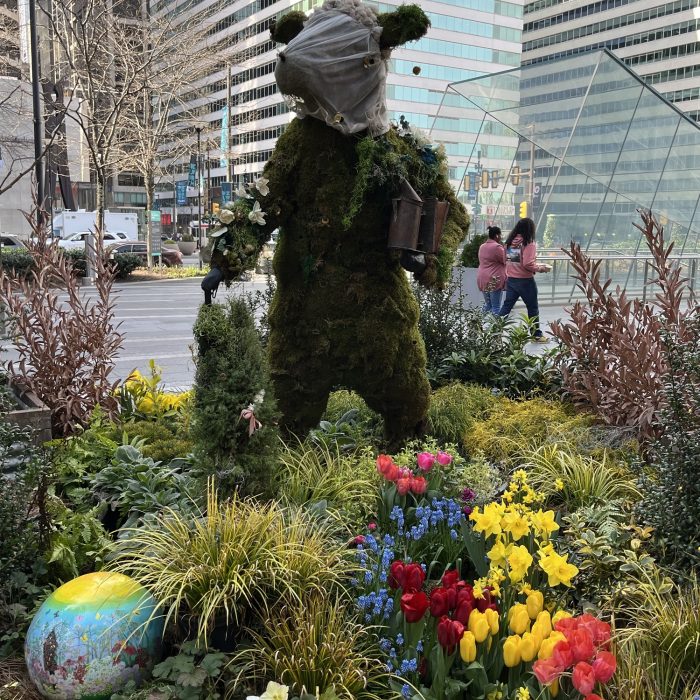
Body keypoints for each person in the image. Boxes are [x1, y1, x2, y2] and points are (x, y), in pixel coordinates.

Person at [498, 217, 551, 342]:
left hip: (511, 279)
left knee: (506, 306)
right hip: (525, 281)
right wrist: (541, 268)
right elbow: (527, 263)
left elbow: (506, 259)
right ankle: (536, 334)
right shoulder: (529, 243)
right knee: (532, 308)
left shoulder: (511, 242)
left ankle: (495, 329)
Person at [477, 225, 507, 314]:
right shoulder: (497, 247)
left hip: (482, 278)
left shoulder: (482, 246)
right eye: (500, 235)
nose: (501, 237)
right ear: (497, 236)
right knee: (496, 306)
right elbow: (505, 260)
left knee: (488, 305)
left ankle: (476, 322)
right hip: (493, 279)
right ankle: (496, 328)